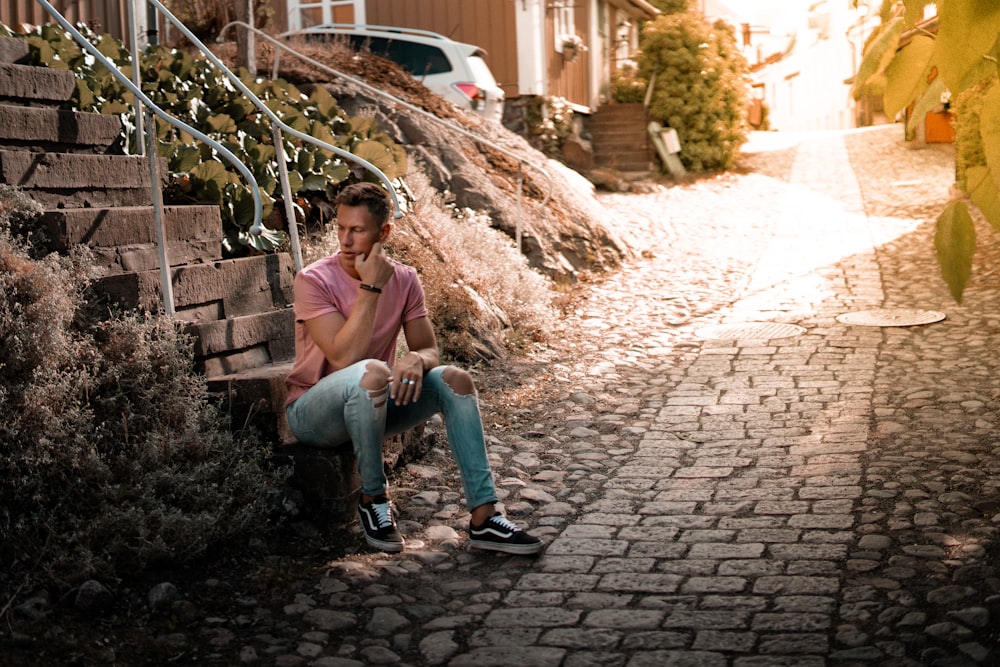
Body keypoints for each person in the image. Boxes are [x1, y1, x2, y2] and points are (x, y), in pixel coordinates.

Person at [284, 182, 542, 556]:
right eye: (340, 228)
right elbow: (344, 358)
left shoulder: (404, 279)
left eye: (357, 230)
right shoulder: (314, 280)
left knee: (454, 380)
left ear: (383, 232)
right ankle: (374, 500)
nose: (345, 239)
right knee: (372, 369)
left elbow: (428, 348)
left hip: (371, 402)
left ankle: (485, 517)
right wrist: (371, 288)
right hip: (312, 412)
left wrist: (416, 359)